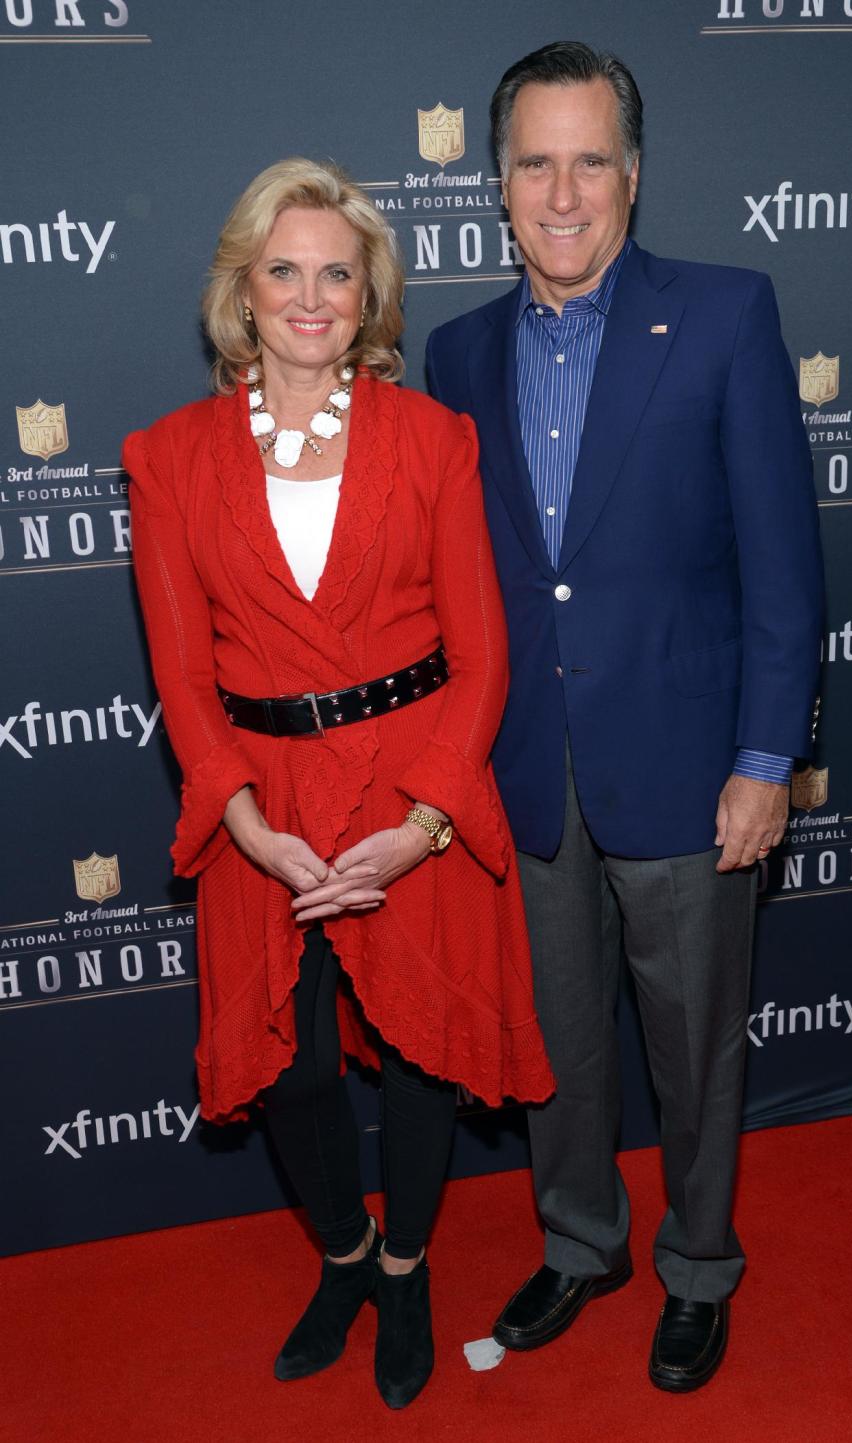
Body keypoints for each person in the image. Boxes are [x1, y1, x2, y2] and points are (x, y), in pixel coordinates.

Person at [123, 157, 553, 1412]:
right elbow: (182, 676)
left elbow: (482, 657)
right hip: (262, 801)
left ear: (368, 295)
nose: (311, 297)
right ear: (242, 295)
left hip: (413, 784)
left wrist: (424, 825)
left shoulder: (432, 440)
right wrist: (243, 823)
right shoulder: (168, 459)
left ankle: (410, 1269)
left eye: (336, 273)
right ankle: (349, 1256)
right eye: (283, 272)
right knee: (299, 1069)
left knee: (422, 1057)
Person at [426, 42, 824, 1392]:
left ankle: (699, 1263)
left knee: (695, 1044)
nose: (563, 191)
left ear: (634, 176)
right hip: (531, 769)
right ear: (496, 183)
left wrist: (767, 756)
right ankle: (582, 1236)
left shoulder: (723, 314)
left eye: (591, 158)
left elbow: (784, 559)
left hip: (687, 762)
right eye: (535, 161)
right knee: (561, 1040)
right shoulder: (457, 350)